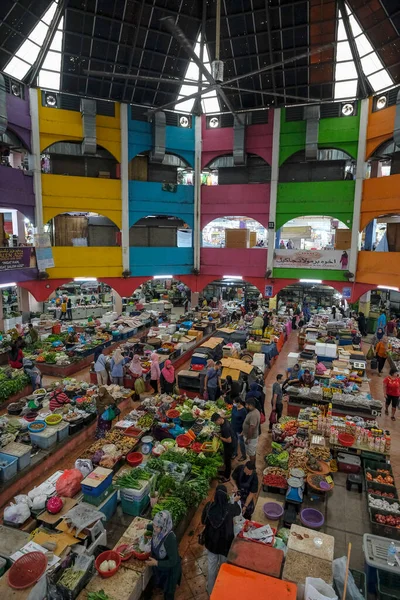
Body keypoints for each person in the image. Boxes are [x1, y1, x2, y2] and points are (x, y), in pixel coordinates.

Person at [201, 485, 241, 596]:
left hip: (211, 543)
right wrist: (236, 501)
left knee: (211, 566)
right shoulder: (229, 508)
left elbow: (203, 521)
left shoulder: (209, 507)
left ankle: (210, 590)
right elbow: (238, 511)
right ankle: (221, 588)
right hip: (225, 543)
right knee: (224, 565)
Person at [146, 510, 181, 600]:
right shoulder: (158, 531)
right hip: (162, 568)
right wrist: (145, 526)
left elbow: (173, 561)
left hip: (171, 570)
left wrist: (156, 563)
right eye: (154, 525)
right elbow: (154, 526)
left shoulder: (170, 538)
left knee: (169, 592)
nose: (155, 528)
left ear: (164, 526)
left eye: (158, 527)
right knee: (161, 584)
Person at [211, 413, 234, 482]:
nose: (215, 424)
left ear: (218, 419)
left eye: (215, 422)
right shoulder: (224, 421)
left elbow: (229, 440)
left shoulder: (225, 428)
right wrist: (218, 432)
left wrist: (219, 436)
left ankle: (227, 477)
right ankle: (225, 471)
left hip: (229, 446)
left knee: (227, 461)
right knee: (226, 460)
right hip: (229, 444)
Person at [242, 398, 260, 467]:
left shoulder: (253, 415)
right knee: (252, 452)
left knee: (251, 453)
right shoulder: (255, 411)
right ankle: (253, 464)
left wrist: (248, 438)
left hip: (251, 438)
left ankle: (252, 467)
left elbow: (252, 427)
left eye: (246, 404)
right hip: (250, 436)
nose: (246, 406)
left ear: (250, 405)